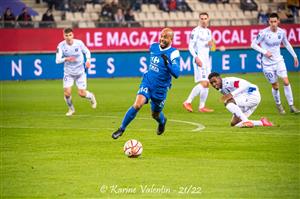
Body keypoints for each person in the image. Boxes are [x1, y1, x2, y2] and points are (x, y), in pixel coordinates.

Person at [112, 28, 180, 139]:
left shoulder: (173, 53)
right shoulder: (153, 46)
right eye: (161, 36)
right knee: (137, 104)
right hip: (148, 83)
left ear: (171, 39)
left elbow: (176, 74)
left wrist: (167, 62)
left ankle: (162, 122)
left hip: (160, 89)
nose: (162, 39)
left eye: (165, 37)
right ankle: (121, 128)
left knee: (155, 114)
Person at [251, 13, 299, 114]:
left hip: (279, 61)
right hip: (267, 64)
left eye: (275, 21)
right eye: (271, 22)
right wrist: (265, 52)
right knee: (275, 86)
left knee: (286, 82)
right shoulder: (263, 33)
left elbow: (286, 43)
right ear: (268, 22)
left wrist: (294, 56)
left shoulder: (282, 32)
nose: (273, 24)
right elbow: (253, 44)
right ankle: (279, 105)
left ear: (278, 21)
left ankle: (291, 106)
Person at [55, 28, 97, 116]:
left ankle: (91, 96)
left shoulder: (79, 43)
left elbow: (87, 51)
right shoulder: (61, 46)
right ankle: (71, 109)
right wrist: (66, 58)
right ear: (63, 36)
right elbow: (57, 60)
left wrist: (88, 60)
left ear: (72, 35)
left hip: (80, 72)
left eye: (70, 35)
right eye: (66, 35)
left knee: (81, 93)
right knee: (67, 93)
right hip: (68, 73)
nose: (68, 37)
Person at [208, 72, 274, 128]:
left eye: (215, 81)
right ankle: (262, 122)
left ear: (219, 78)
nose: (214, 84)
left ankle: (246, 121)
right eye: (211, 83)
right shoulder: (221, 89)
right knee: (234, 124)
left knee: (227, 102)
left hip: (252, 95)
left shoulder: (228, 82)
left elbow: (245, 85)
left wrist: (231, 94)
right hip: (245, 99)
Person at [183, 12, 214, 113]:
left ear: (208, 19)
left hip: (206, 60)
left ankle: (202, 107)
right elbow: (190, 46)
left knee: (208, 83)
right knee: (204, 83)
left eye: (205, 18)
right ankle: (188, 101)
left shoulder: (209, 31)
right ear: (199, 19)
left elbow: (211, 46)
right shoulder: (195, 31)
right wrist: (196, 57)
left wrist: (211, 44)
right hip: (199, 60)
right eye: (202, 18)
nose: (204, 20)